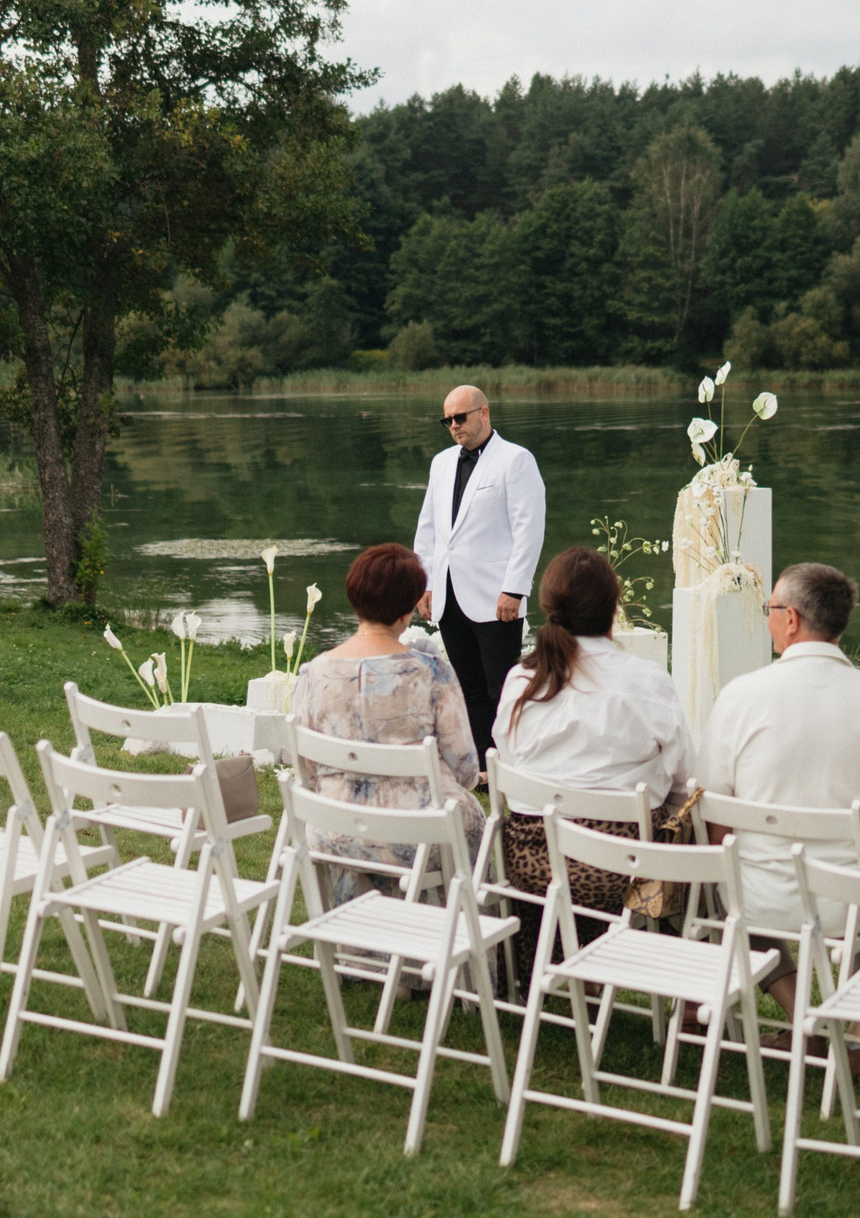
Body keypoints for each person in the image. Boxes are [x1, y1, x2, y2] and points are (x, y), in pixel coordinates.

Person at [700, 562, 860, 1036]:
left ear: (792, 619)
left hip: (760, 899)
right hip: (856, 904)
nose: (768, 618)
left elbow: (716, 828)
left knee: (726, 894)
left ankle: (803, 1015)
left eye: (769, 609)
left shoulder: (738, 696)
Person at [491, 546, 693, 975]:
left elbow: (509, 762)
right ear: (613, 607)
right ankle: (679, 970)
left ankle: (550, 957)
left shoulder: (522, 679)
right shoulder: (646, 679)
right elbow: (684, 776)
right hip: (620, 868)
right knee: (692, 823)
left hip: (532, 863)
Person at [289, 543, 483, 906]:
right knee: (469, 820)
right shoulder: (431, 672)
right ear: (407, 610)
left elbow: (308, 769)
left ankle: (358, 924)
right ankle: (449, 926)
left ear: (355, 599)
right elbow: (466, 769)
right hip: (416, 839)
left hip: (336, 830)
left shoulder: (315, 672)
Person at [410, 385, 545, 760]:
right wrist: (424, 583)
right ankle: (481, 766)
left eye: (460, 417)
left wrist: (514, 589)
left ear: (484, 413)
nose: (454, 425)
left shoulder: (516, 460)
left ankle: (510, 762)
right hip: (448, 594)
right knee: (467, 687)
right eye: (447, 420)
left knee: (502, 689)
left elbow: (529, 530)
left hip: (496, 597)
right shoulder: (441, 463)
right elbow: (428, 528)